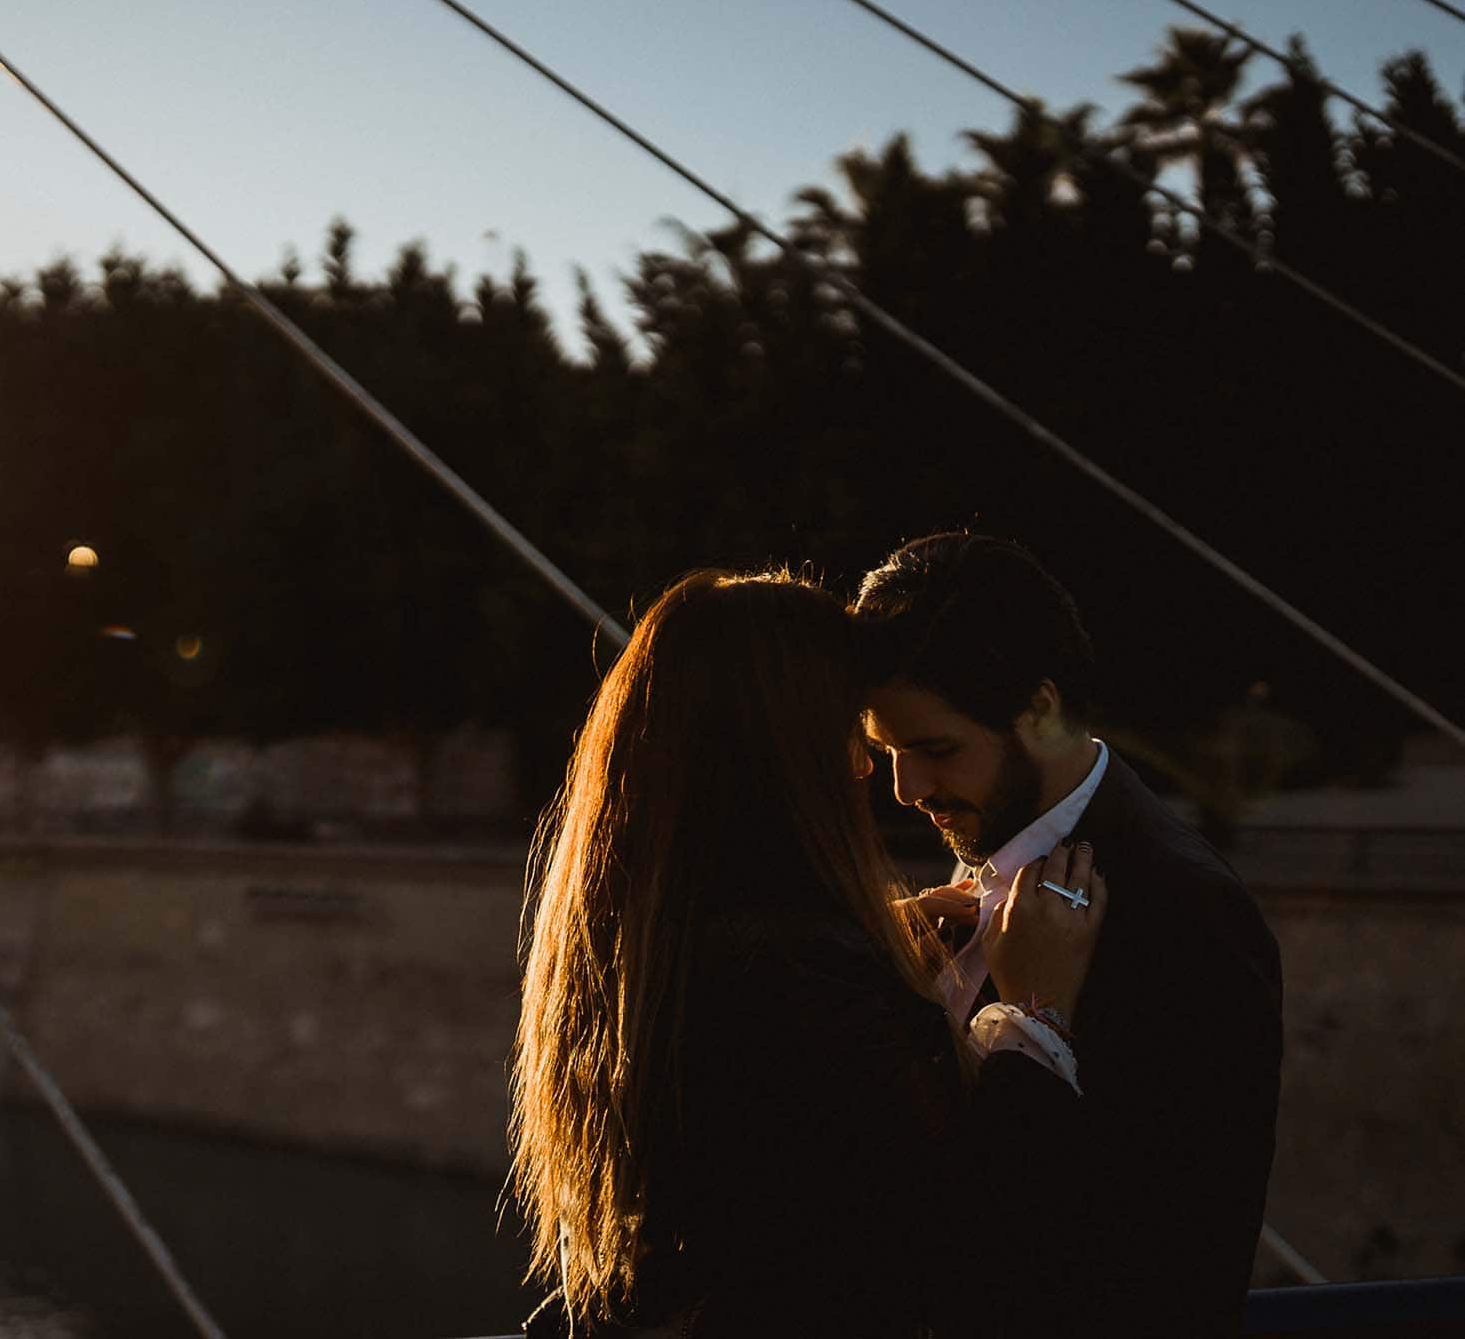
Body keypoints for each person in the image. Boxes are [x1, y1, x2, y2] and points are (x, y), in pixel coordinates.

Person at [513, 569, 1107, 1339]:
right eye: (846, 733)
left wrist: (878, 953)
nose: (866, 770)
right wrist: (1036, 1015)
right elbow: (966, 1253)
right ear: (780, 754)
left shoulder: (640, 941)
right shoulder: (799, 988)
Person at [855, 532, 1283, 1337]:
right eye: (888, 753)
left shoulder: (1186, 914)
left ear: (1042, 709)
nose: (907, 790)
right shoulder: (960, 893)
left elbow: (1169, 1266)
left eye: (935, 750)